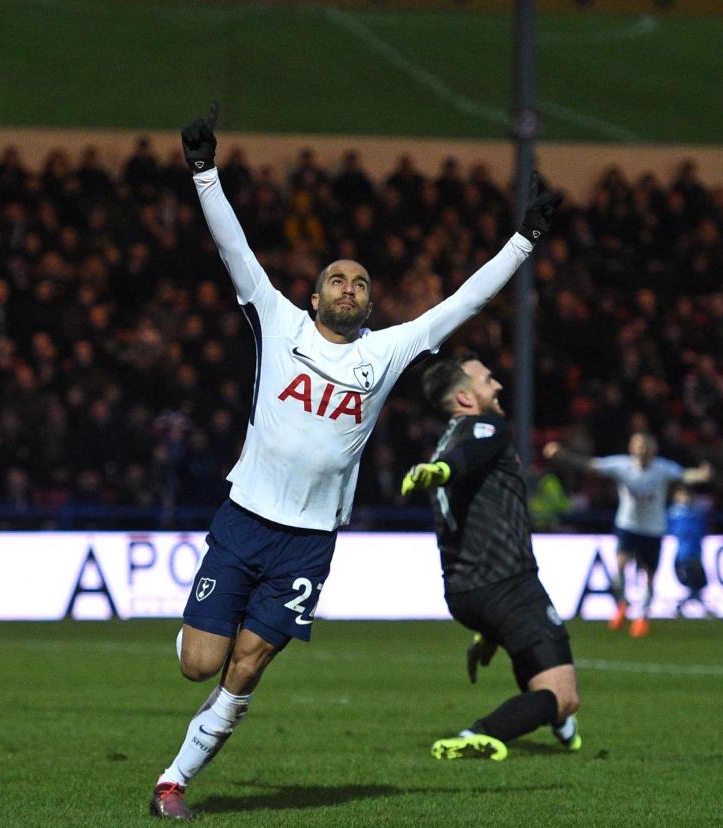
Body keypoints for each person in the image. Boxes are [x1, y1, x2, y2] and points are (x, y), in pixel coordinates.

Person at [148, 103, 561, 820]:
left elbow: (463, 301)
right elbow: (235, 249)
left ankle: (173, 783)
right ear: (313, 297)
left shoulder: (386, 351)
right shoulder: (277, 322)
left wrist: (524, 240)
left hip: (308, 543)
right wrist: (204, 170)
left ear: (370, 304)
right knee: (200, 665)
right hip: (244, 518)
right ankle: (192, 645)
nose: (350, 288)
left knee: (247, 670)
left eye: (361, 283)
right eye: (337, 280)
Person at [402, 353, 581, 761]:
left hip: (465, 593)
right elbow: (462, 462)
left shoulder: (447, 439)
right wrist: (443, 471)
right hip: (508, 584)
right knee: (562, 696)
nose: (498, 385)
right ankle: (479, 734)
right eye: (487, 379)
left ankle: (556, 722)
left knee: (533, 654)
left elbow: (461, 464)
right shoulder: (484, 428)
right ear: (465, 398)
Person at [543, 434, 711, 637]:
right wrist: (564, 455)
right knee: (621, 564)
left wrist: (701, 475)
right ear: (632, 448)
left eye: (646, 446)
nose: (643, 450)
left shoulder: (662, 468)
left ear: (653, 449)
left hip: (653, 528)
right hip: (628, 525)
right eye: (639, 446)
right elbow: (590, 465)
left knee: (649, 576)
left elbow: (684, 475)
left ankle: (642, 617)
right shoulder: (621, 465)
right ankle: (622, 604)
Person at [667, 484, 711, 617]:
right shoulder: (675, 515)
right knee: (693, 584)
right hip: (684, 556)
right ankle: (701, 608)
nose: (686, 498)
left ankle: (681, 608)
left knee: (701, 584)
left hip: (697, 554)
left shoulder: (696, 513)